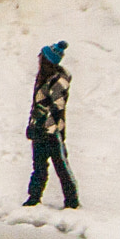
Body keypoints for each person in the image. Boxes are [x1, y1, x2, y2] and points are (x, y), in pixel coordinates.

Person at [23, 41, 80, 208]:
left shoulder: (58, 81)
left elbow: (57, 108)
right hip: (39, 129)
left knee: (61, 167)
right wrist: (32, 125)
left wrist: (49, 129)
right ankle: (33, 198)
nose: (39, 60)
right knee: (39, 167)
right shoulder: (43, 77)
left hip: (52, 131)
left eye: (41, 58)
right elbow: (37, 106)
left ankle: (72, 202)